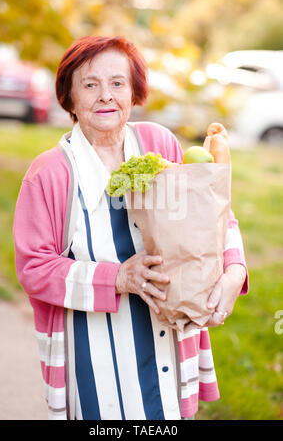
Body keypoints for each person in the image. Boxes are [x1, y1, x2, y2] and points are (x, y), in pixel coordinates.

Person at [13, 35, 248, 420]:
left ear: (134, 91)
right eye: (90, 84)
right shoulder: (49, 174)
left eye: (117, 83)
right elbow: (35, 269)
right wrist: (119, 278)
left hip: (170, 340)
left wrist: (233, 270)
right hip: (97, 358)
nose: (106, 95)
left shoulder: (160, 144)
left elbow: (216, 215)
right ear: (69, 98)